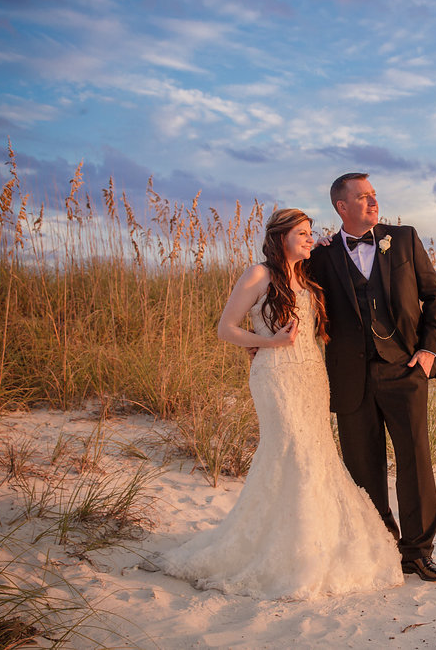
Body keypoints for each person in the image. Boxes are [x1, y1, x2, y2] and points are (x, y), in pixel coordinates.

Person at [158, 208, 402, 599]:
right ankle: (289, 552)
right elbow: (226, 329)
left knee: (317, 452)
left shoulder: (304, 277)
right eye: (302, 234)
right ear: (281, 237)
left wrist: (321, 243)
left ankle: (312, 541)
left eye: (311, 233)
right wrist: (267, 343)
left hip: (312, 377)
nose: (309, 238)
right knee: (292, 451)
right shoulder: (258, 274)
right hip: (276, 376)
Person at [307, 173, 436, 583]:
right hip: (351, 377)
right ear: (342, 207)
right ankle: (382, 547)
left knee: (415, 463)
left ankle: (418, 553)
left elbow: (434, 296)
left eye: (374, 195)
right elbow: (289, 289)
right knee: (363, 469)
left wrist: (427, 351)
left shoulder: (403, 238)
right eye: (364, 197)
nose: (374, 202)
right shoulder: (322, 254)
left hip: (404, 370)